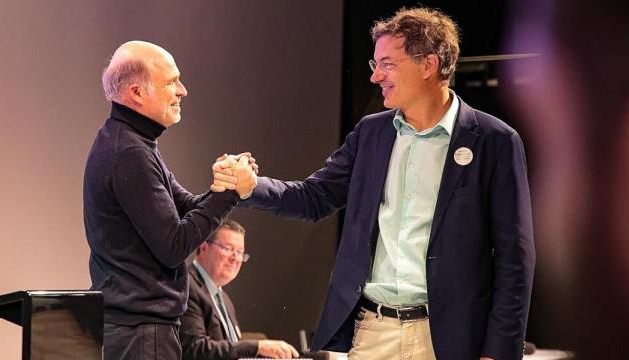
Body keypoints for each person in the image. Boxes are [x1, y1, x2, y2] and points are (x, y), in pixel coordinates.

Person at [213, 8, 535, 360]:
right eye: (374, 64)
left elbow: (514, 257)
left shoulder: (493, 140)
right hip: (373, 332)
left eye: (388, 64)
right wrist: (251, 185)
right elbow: (314, 197)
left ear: (428, 65)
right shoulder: (371, 133)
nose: (376, 76)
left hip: (452, 339)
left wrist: (498, 351)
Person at [84, 40, 257, 360]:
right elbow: (174, 245)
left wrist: (223, 186)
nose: (183, 90)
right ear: (136, 93)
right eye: (171, 82)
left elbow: (186, 207)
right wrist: (232, 192)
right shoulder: (130, 152)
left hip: (138, 330)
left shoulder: (131, 142)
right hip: (142, 334)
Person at [180, 220, 300, 360]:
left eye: (240, 252)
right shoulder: (187, 287)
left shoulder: (224, 299)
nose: (235, 258)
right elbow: (194, 349)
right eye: (228, 249)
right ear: (204, 246)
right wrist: (256, 347)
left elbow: (231, 351)